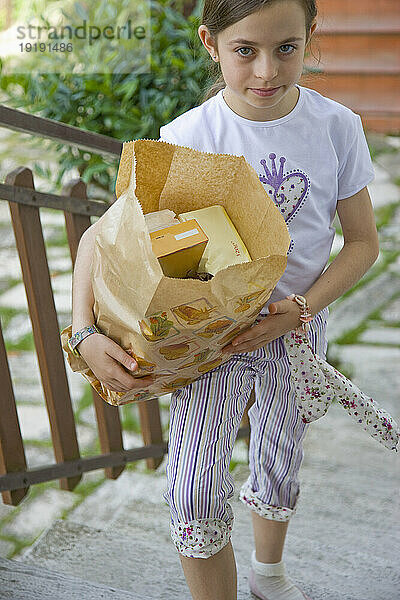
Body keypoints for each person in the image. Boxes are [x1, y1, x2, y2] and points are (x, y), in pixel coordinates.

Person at [70, 1, 379, 598]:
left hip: (294, 336)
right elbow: (98, 237)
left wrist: (303, 308)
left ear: (310, 36)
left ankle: (269, 574)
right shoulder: (188, 138)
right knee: (191, 489)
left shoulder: (337, 126)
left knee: (279, 462)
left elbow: (362, 243)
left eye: (286, 48)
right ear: (211, 44)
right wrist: (84, 331)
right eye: (246, 51)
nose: (266, 71)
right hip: (207, 342)